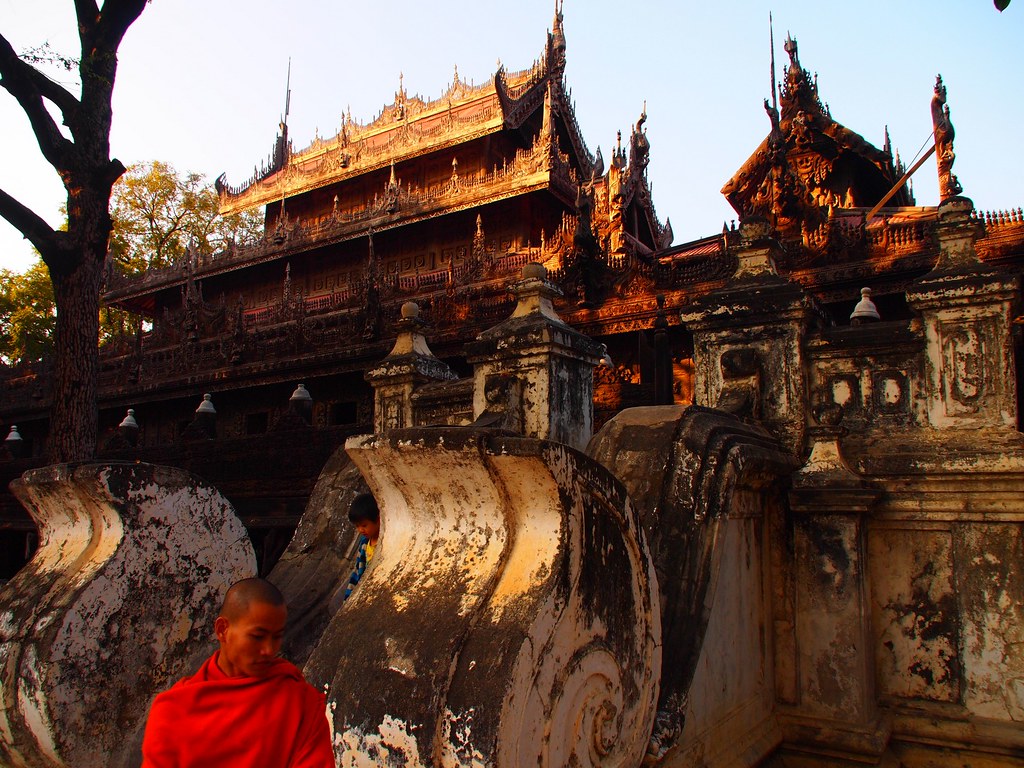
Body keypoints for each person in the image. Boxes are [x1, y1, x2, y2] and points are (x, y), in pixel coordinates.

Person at [141, 577, 334, 768]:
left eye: (276, 637)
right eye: (257, 637)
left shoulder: (299, 703)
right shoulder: (173, 711)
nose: (269, 649)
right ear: (222, 629)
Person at [342, 492, 380, 602]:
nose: (360, 530)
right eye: (357, 526)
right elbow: (358, 572)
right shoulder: (364, 544)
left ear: (378, 520)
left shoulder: (386, 542)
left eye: (364, 525)